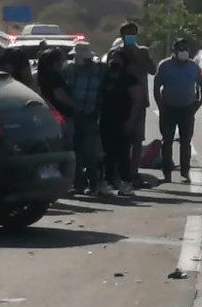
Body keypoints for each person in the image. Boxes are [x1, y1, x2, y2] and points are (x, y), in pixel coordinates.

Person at [107, 21, 156, 187]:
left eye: (133, 33)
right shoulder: (116, 52)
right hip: (120, 101)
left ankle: (134, 173)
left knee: (136, 139)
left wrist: (136, 53)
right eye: (128, 34)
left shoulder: (143, 51)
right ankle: (119, 173)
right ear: (122, 36)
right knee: (120, 139)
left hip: (139, 101)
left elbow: (152, 70)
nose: (131, 37)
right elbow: (111, 71)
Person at [153, 39, 202, 183]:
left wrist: (199, 103)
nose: (183, 52)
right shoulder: (164, 66)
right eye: (180, 49)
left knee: (186, 142)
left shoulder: (193, 66)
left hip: (187, 109)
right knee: (167, 141)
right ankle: (167, 173)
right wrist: (160, 106)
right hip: (168, 108)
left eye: (185, 49)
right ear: (174, 51)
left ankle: (185, 172)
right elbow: (157, 87)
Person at [64, 41, 108, 195]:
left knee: (90, 152)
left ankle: (93, 184)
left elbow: (101, 92)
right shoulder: (69, 68)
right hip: (74, 114)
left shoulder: (98, 70)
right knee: (76, 151)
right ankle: (78, 184)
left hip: (90, 115)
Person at [100, 47, 144, 197]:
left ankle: (126, 183)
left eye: (117, 57)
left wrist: (131, 121)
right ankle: (106, 182)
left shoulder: (129, 79)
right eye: (111, 57)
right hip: (105, 120)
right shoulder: (104, 77)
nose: (113, 60)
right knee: (106, 154)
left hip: (122, 120)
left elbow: (138, 101)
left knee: (122, 154)